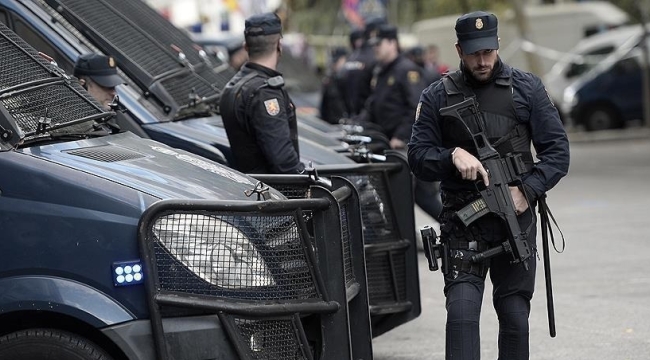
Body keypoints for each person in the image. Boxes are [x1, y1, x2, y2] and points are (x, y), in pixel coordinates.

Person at [408, 11, 569, 360]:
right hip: (463, 223)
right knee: (462, 318)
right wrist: (451, 155)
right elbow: (417, 157)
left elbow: (557, 153)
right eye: (473, 53)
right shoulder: (438, 95)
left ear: (497, 46)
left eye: (488, 52)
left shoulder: (527, 88)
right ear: (458, 50)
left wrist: (525, 191)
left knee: (515, 319)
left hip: (515, 225)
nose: (482, 61)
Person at [219, 12, 304, 174]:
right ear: (279, 45)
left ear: (245, 47)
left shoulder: (234, 85)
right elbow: (284, 163)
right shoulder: (265, 93)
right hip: (274, 192)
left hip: (253, 189)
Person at [319, 47, 348, 124]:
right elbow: (324, 109)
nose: (334, 65)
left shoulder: (349, 79)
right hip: (334, 124)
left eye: (338, 61)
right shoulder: (330, 81)